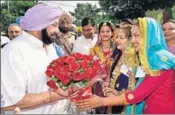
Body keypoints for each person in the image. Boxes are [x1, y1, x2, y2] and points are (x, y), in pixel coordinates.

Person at [75, 17, 175, 114]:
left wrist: (101, 101)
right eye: (132, 36)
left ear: (148, 35)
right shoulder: (152, 56)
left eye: (136, 35)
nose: (132, 40)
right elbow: (143, 88)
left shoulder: (159, 60)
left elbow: (137, 95)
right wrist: (119, 94)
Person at [1, 3, 73, 114]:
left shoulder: (50, 47)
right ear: (39, 26)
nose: (57, 31)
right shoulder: (13, 51)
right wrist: (54, 96)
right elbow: (10, 101)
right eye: (53, 25)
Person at [107, 24, 136, 114]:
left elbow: (135, 86)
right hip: (112, 103)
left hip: (125, 104)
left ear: (130, 39)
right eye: (117, 37)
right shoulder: (117, 55)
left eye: (121, 38)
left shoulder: (134, 59)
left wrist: (118, 93)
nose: (117, 40)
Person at [90, 21, 115, 114]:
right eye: (102, 31)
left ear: (112, 33)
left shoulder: (117, 50)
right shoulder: (93, 50)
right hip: (98, 85)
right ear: (99, 33)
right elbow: (90, 69)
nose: (105, 34)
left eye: (108, 31)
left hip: (113, 85)